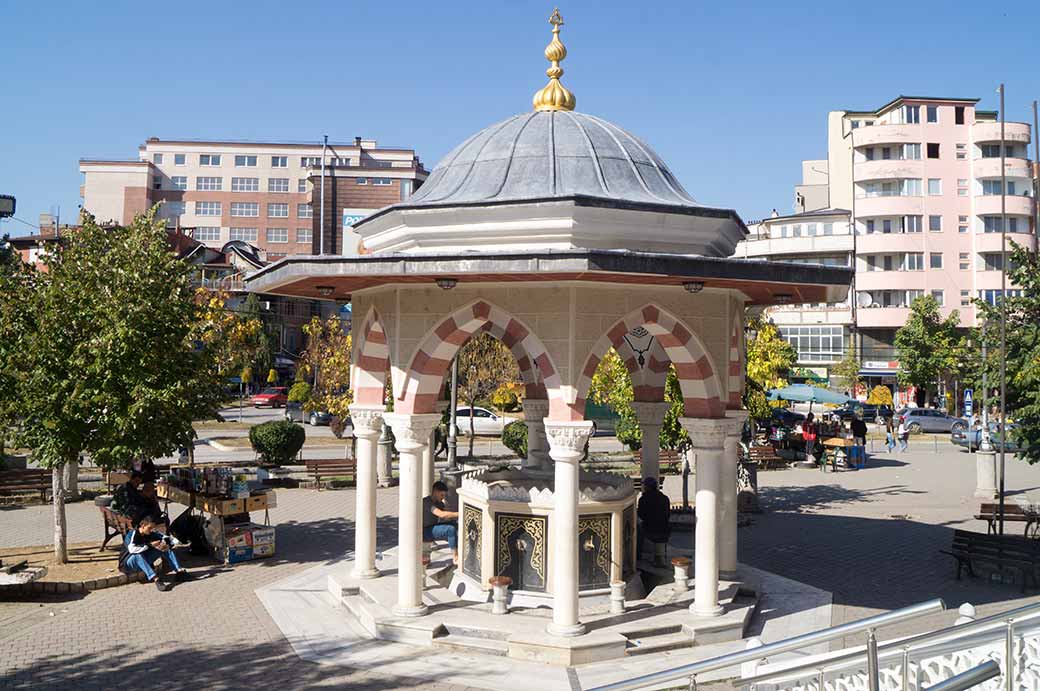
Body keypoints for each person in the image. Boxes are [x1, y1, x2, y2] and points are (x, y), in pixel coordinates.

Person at [123, 515, 191, 591]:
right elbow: (132, 550)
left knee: (165, 548)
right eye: (149, 528)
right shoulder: (132, 534)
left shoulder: (150, 533)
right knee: (138, 555)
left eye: (152, 528)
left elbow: (168, 538)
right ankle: (156, 579)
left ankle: (179, 572)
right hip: (129, 563)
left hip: (145, 560)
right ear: (142, 525)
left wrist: (166, 543)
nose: (151, 530)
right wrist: (150, 545)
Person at [422, 481, 459, 565]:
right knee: (450, 529)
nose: (443, 498)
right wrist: (460, 513)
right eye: (442, 495)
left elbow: (446, 516)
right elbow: (441, 514)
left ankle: (460, 549)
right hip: (424, 532)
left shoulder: (440, 503)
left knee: (455, 525)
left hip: (432, 528)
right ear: (435, 492)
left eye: (444, 495)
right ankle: (456, 557)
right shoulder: (427, 502)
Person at [637, 477, 671, 557]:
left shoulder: (643, 499)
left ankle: (637, 556)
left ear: (647, 487)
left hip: (651, 530)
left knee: (637, 530)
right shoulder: (665, 498)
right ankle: (660, 556)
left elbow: (641, 515)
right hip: (665, 529)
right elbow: (668, 514)